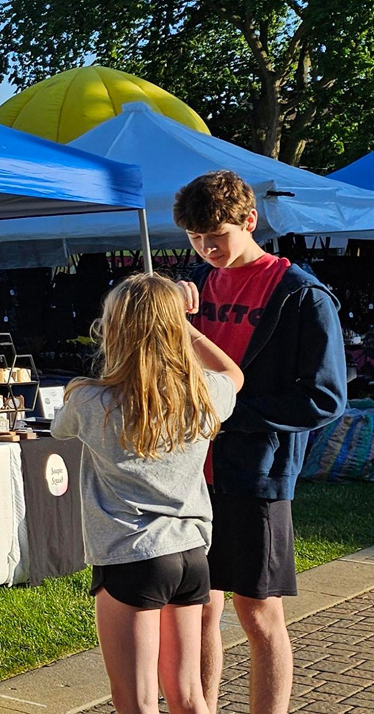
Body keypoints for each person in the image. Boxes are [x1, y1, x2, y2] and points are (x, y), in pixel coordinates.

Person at [173, 170, 346, 714]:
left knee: (258, 611)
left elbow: (323, 397)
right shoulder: (192, 282)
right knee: (197, 608)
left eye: (217, 235)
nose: (207, 248)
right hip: (186, 471)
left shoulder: (301, 293)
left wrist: (231, 417)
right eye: (197, 238)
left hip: (256, 473)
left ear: (250, 221)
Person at [51, 274, 242, 714]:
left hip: (131, 553)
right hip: (192, 552)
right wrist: (188, 326)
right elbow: (234, 374)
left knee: (136, 702)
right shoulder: (203, 393)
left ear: (114, 328)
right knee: (189, 695)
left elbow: (61, 429)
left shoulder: (90, 399)